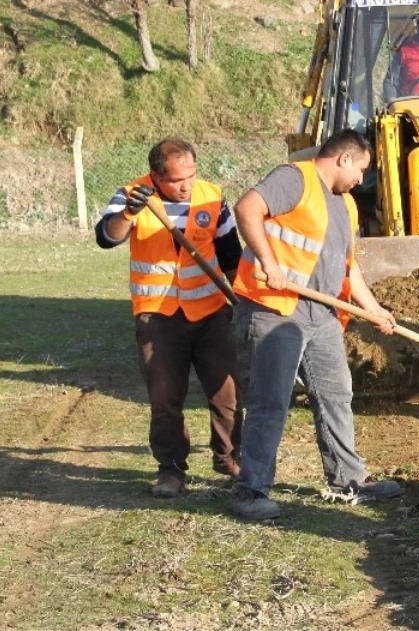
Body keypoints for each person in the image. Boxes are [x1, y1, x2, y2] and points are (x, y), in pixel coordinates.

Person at [230, 129, 401, 521]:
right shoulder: (295, 179)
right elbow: (247, 209)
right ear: (344, 159)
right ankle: (251, 489)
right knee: (271, 401)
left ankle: (347, 480)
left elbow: (347, 266)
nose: (362, 179)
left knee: (336, 395)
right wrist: (269, 264)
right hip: (276, 308)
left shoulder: (346, 204)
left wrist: (373, 308)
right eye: (361, 169)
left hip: (322, 314)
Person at [94, 138, 243, 497]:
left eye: (191, 175)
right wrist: (128, 213)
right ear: (157, 176)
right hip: (158, 316)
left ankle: (231, 458)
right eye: (177, 180)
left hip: (210, 312)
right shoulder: (132, 195)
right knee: (165, 398)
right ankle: (171, 470)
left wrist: (243, 299)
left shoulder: (211, 196)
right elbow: (106, 237)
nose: (186, 185)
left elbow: (230, 253)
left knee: (227, 393)